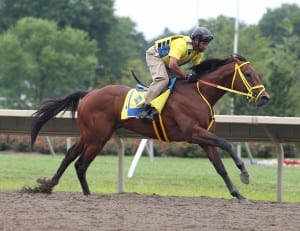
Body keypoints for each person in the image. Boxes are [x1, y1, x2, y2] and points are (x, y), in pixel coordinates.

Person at [137, 26, 214, 120]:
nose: (206, 46)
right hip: (155, 55)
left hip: (167, 61)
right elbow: (173, 65)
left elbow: (196, 69)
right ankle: (145, 107)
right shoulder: (182, 44)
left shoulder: (199, 52)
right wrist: (186, 76)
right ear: (196, 40)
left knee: (177, 84)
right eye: (204, 43)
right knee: (163, 80)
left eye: (207, 44)